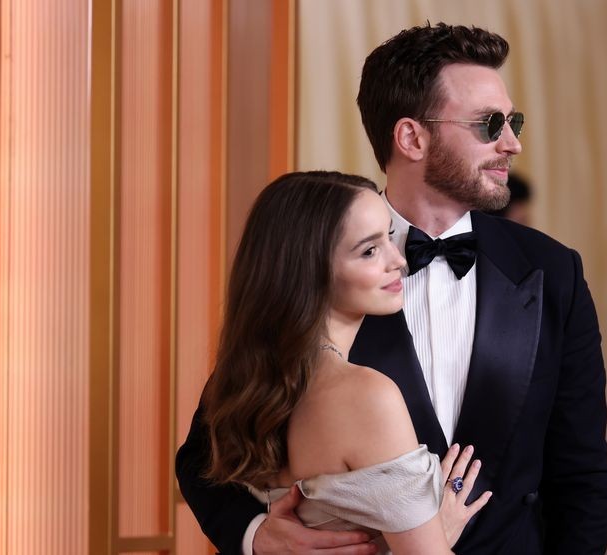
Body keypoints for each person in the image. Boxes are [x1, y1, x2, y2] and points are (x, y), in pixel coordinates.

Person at [178, 23, 607, 554]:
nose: (512, 143)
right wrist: (258, 537)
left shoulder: (553, 270)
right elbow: (204, 456)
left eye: (512, 121)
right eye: (489, 124)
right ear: (411, 137)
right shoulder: (319, 268)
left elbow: (582, 475)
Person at [191, 170, 490, 555]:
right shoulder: (366, 395)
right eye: (369, 251)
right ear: (310, 271)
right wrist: (436, 534)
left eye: (389, 237)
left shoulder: (253, 377)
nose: (398, 259)